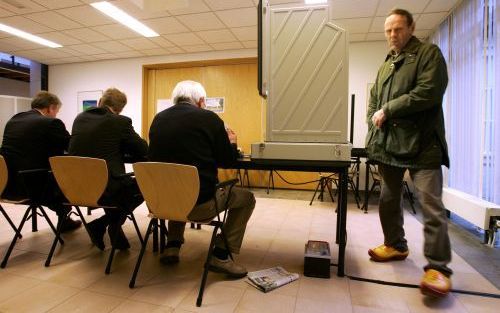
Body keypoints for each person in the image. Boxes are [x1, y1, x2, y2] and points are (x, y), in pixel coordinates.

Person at [365, 8, 452, 297]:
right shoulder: (386, 64)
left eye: (398, 29)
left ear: (411, 28)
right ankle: (395, 245)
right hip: (390, 145)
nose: (393, 35)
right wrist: (373, 123)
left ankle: (438, 268)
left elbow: (428, 92)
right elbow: (374, 101)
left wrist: (388, 109)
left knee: (431, 206)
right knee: (388, 200)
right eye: (388, 30)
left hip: (423, 146)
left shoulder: (430, 54)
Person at [148, 80, 255, 278]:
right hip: (200, 206)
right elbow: (227, 161)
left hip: (162, 203)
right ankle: (221, 255)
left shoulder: (158, 119)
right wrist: (231, 142)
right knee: (247, 198)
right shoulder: (209, 118)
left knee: (176, 184)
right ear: (201, 101)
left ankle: (172, 245)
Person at [69, 88, 148, 250]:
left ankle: (105, 226)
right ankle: (105, 224)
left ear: (100, 102)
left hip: (76, 187)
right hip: (106, 189)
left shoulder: (80, 118)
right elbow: (143, 151)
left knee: (114, 184)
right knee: (144, 186)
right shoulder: (120, 121)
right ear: (120, 109)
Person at [0, 91, 81, 232]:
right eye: (56, 111)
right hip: (32, 187)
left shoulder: (14, 120)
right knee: (67, 178)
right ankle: (64, 217)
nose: (56, 114)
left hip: (6, 184)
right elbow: (71, 147)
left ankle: (64, 216)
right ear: (50, 108)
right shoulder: (51, 123)